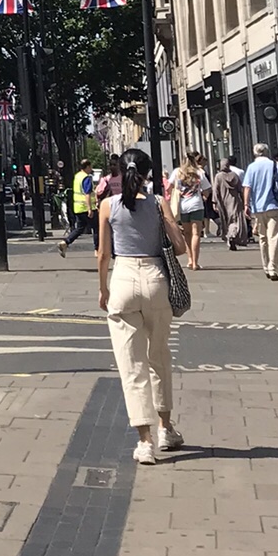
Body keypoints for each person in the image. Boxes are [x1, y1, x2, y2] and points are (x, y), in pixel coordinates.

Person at [98, 147, 188, 464]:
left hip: (123, 277)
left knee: (131, 365)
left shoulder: (108, 205)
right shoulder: (158, 202)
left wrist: (103, 289)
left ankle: (144, 442)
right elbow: (179, 247)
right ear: (148, 174)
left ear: (120, 172)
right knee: (159, 357)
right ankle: (166, 429)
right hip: (156, 279)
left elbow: (103, 255)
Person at [242, 143, 278, 280]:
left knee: (263, 238)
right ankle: (273, 269)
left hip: (258, 207)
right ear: (267, 152)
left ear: (255, 153)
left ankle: (266, 267)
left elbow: (247, 187)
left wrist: (246, 205)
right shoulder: (274, 165)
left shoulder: (251, 167)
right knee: (273, 237)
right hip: (274, 205)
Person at [167, 155, 211, 272]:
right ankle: (195, 263)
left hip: (182, 206)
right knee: (196, 233)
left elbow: (168, 187)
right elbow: (206, 190)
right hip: (196, 205)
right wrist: (204, 196)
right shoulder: (199, 172)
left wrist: (174, 194)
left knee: (187, 233)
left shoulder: (177, 172)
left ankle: (190, 259)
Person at [59, 163, 96, 254]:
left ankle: (65, 242)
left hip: (78, 208)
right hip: (86, 207)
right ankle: (98, 249)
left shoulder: (77, 176)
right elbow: (87, 193)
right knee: (97, 228)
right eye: (90, 167)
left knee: (79, 228)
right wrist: (90, 209)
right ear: (87, 167)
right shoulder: (86, 178)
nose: (91, 169)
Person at [212, 158, 245, 250]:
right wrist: (244, 201)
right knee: (235, 220)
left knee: (225, 220)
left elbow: (215, 190)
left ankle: (228, 236)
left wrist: (214, 202)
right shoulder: (234, 175)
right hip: (234, 201)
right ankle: (233, 235)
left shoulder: (218, 176)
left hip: (222, 201)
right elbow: (240, 189)